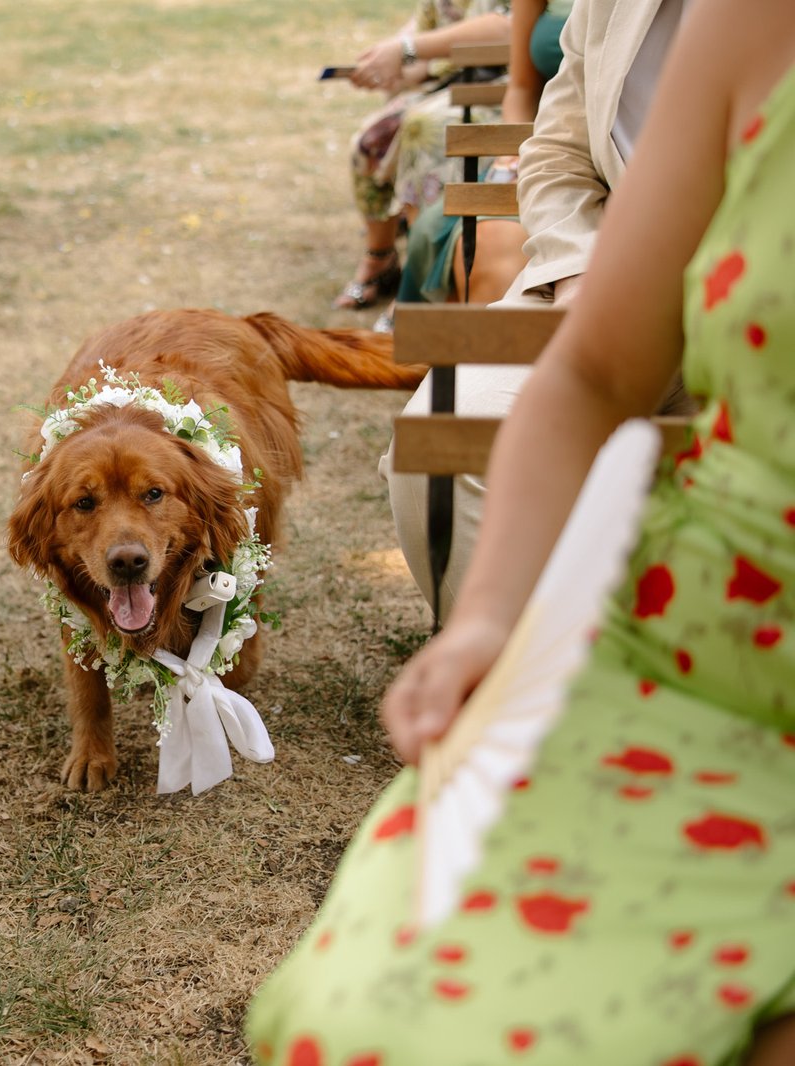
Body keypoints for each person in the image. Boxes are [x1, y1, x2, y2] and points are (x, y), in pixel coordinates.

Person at [246, 1, 795, 1061]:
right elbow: (590, 368)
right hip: (693, 641)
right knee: (362, 1022)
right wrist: (488, 623)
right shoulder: (747, 21)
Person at [382, 0, 697, 616]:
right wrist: (580, 275)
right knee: (436, 450)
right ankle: (531, 685)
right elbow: (558, 154)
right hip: (609, 285)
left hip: (755, 312)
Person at [332, 0, 511, 313]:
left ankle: (421, 286)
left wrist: (406, 49)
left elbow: (508, 25)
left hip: (501, 84)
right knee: (370, 141)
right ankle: (381, 259)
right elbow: (428, 25)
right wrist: (385, 65)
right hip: (450, 80)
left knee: (422, 132)